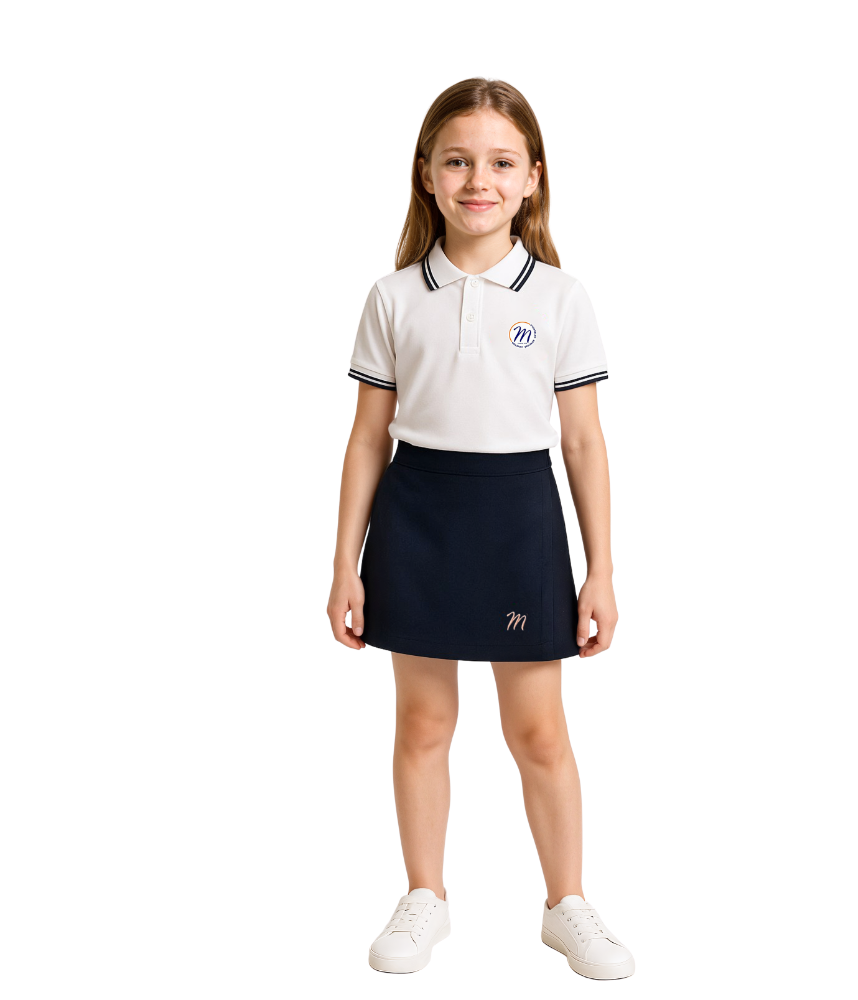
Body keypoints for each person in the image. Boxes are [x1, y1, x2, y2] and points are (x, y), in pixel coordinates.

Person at [327, 78, 634, 981]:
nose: (478, 180)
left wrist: (601, 569)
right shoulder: (393, 297)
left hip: (517, 523)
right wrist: (345, 564)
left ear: (533, 178)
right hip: (418, 519)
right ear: (426, 174)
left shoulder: (561, 297)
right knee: (423, 722)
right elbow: (366, 438)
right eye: (458, 161)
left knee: (538, 732)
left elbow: (583, 441)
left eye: (501, 163)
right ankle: (425, 894)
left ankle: (566, 904)